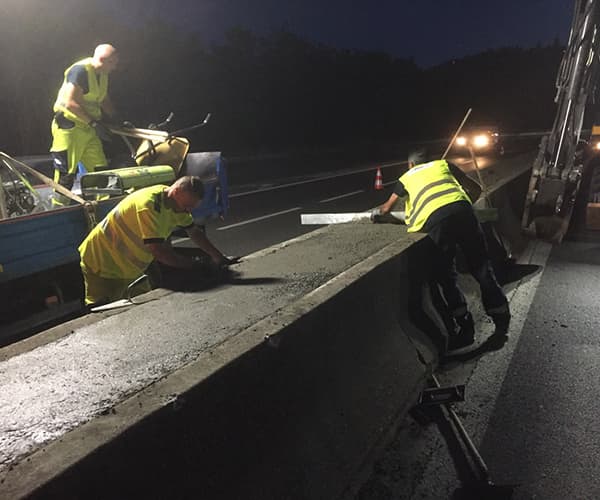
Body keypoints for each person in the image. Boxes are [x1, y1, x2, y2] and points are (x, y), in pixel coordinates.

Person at [375, 149, 510, 350]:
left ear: (410, 165)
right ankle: (501, 321)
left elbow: (385, 209)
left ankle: (466, 329)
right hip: (464, 213)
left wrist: (379, 215)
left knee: (446, 277)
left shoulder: (407, 177)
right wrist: (457, 207)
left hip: (436, 223)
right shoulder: (444, 165)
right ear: (430, 160)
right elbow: (475, 189)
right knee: (482, 269)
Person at [79, 176, 234, 307]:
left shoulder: (176, 205)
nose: (188, 211)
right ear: (175, 192)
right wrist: (195, 265)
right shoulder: (149, 205)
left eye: (191, 207)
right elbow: (159, 252)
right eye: (186, 206)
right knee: (103, 312)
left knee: (144, 307)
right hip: (101, 262)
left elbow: (194, 232)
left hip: (129, 269)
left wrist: (218, 257)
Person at [50, 44, 119, 206]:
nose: (115, 67)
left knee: (101, 171)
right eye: (113, 62)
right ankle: (57, 210)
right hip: (69, 128)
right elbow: (69, 103)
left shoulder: (102, 74)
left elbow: (102, 98)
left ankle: (105, 209)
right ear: (103, 60)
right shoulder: (80, 71)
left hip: (89, 128)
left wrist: (117, 118)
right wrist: (95, 124)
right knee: (66, 174)